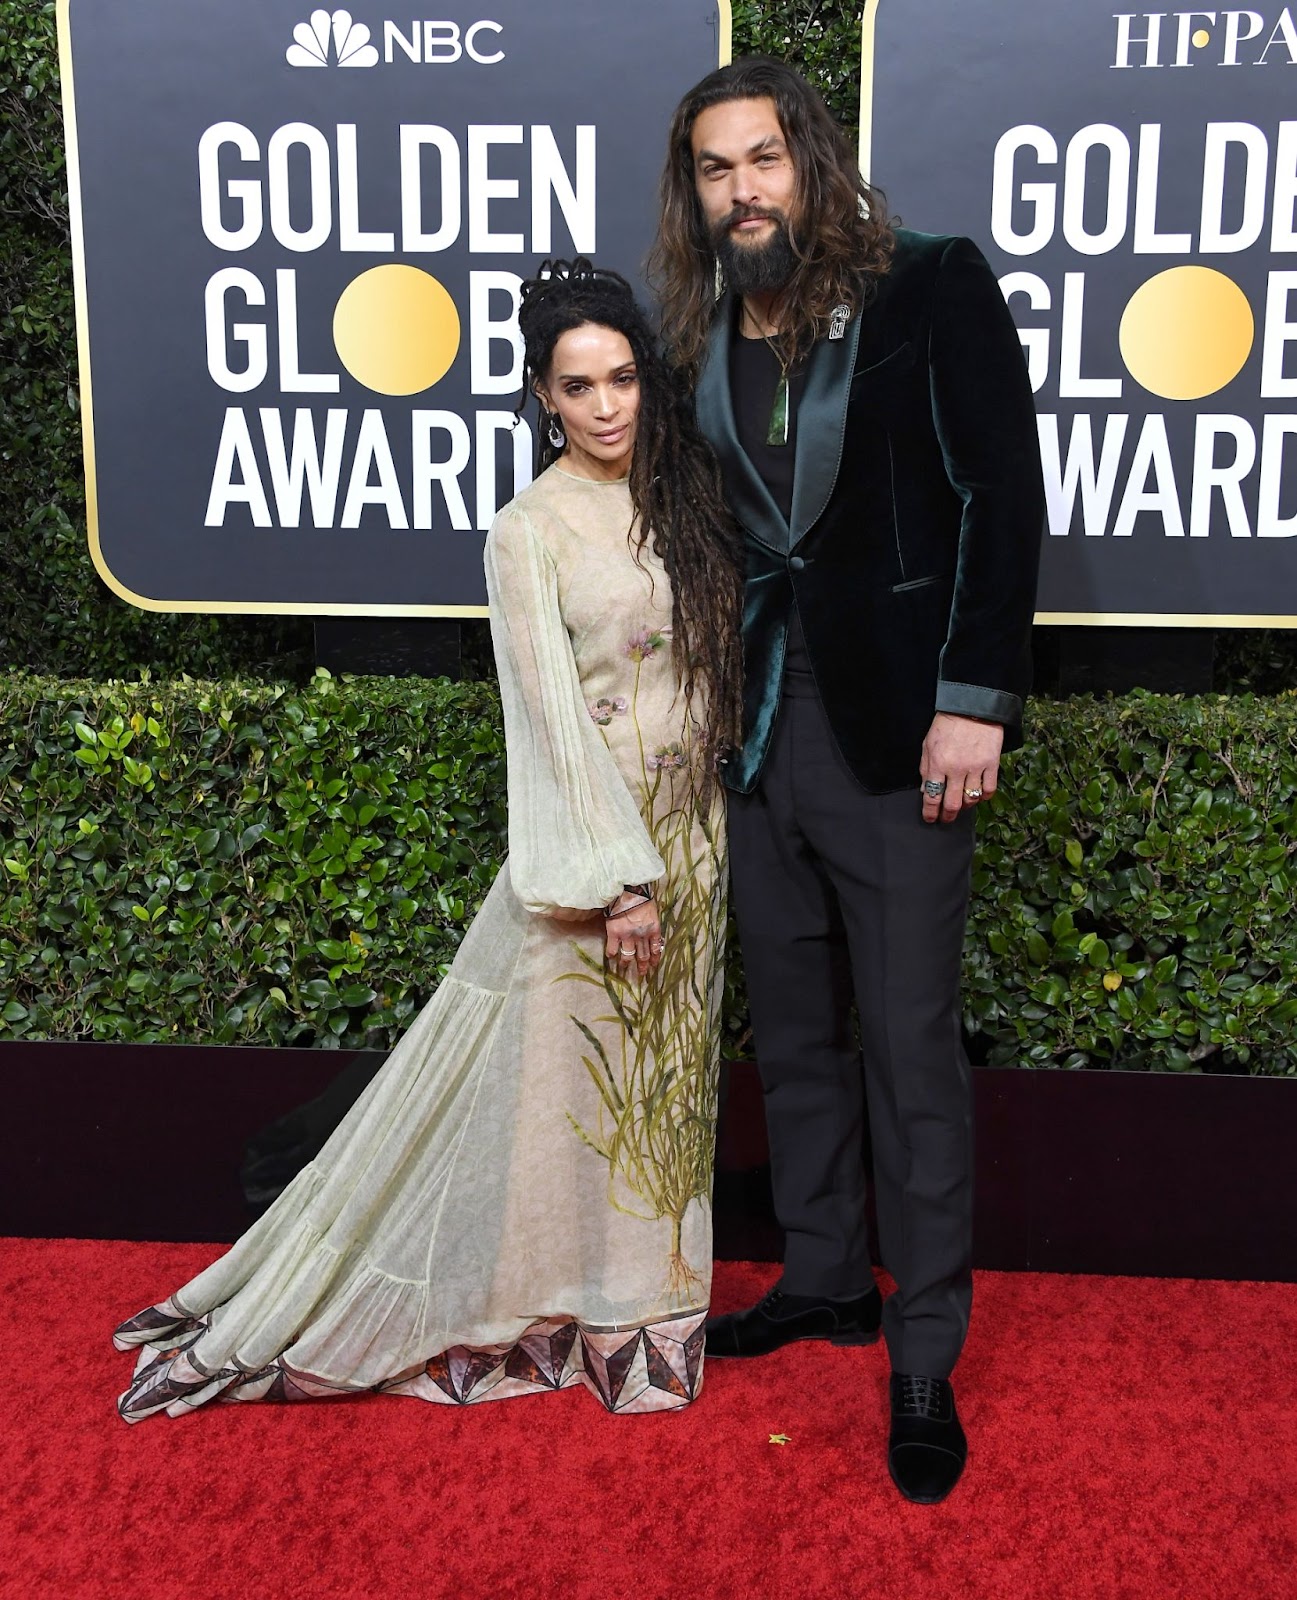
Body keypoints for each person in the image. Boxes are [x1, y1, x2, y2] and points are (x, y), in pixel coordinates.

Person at [113, 260, 745, 1421]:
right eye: (578, 387)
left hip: (697, 843)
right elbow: (549, 719)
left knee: (663, 1089)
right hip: (605, 867)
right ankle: (550, 1303)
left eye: (622, 381)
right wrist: (620, 885)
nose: (606, 407)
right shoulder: (526, 530)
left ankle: (644, 1308)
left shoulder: (684, 500)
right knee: (562, 1089)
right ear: (541, 398)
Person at [650, 58, 1044, 1502]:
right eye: (714, 168)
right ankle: (824, 1271)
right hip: (758, 739)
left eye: (763, 159)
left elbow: (1003, 497)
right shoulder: (696, 340)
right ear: (691, 192)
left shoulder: (932, 284)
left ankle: (924, 1349)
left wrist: (972, 704)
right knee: (797, 1033)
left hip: (901, 739)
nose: (742, 189)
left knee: (907, 1047)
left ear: (810, 162)